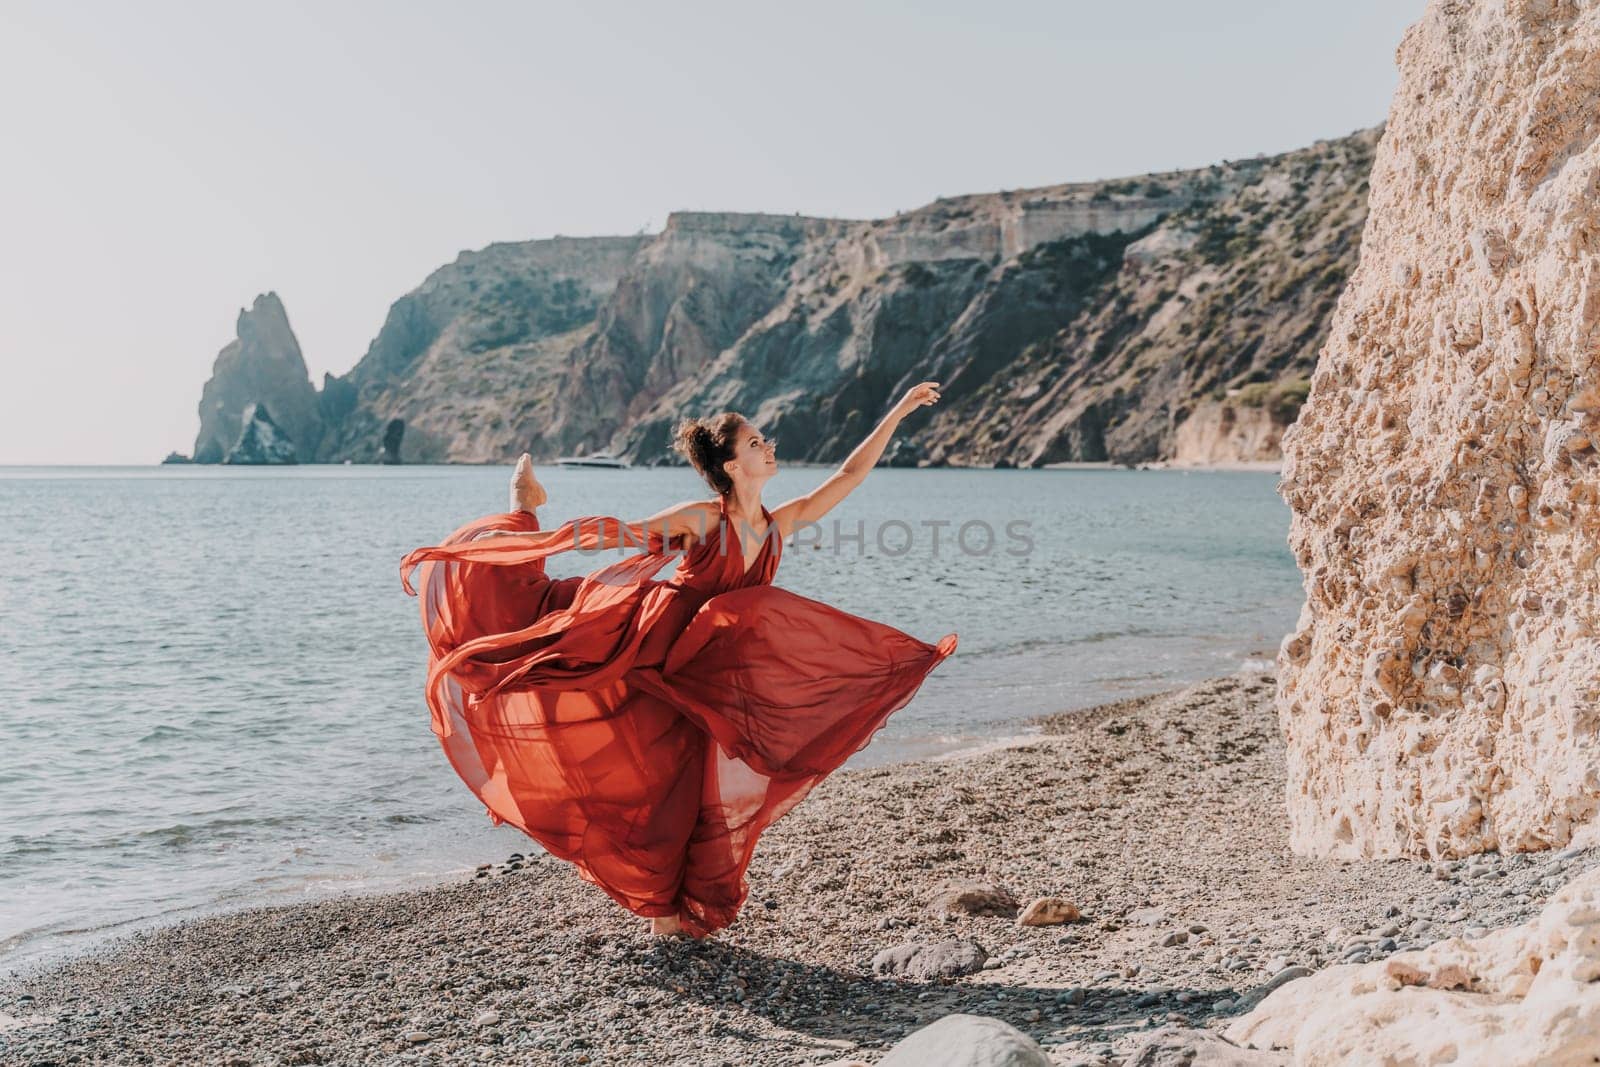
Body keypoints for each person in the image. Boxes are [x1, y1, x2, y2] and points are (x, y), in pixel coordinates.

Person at [399, 381, 957, 937]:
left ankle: (679, 912)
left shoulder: (775, 524)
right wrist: (533, 532)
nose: (770, 447)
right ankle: (664, 915)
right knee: (625, 747)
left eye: (764, 439)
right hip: (649, 653)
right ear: (733, 466)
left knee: (693, 791)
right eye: (757, 442)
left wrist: (899, 408)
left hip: (702, 677)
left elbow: (848, 477)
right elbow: (622, 536)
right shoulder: (704, 519)